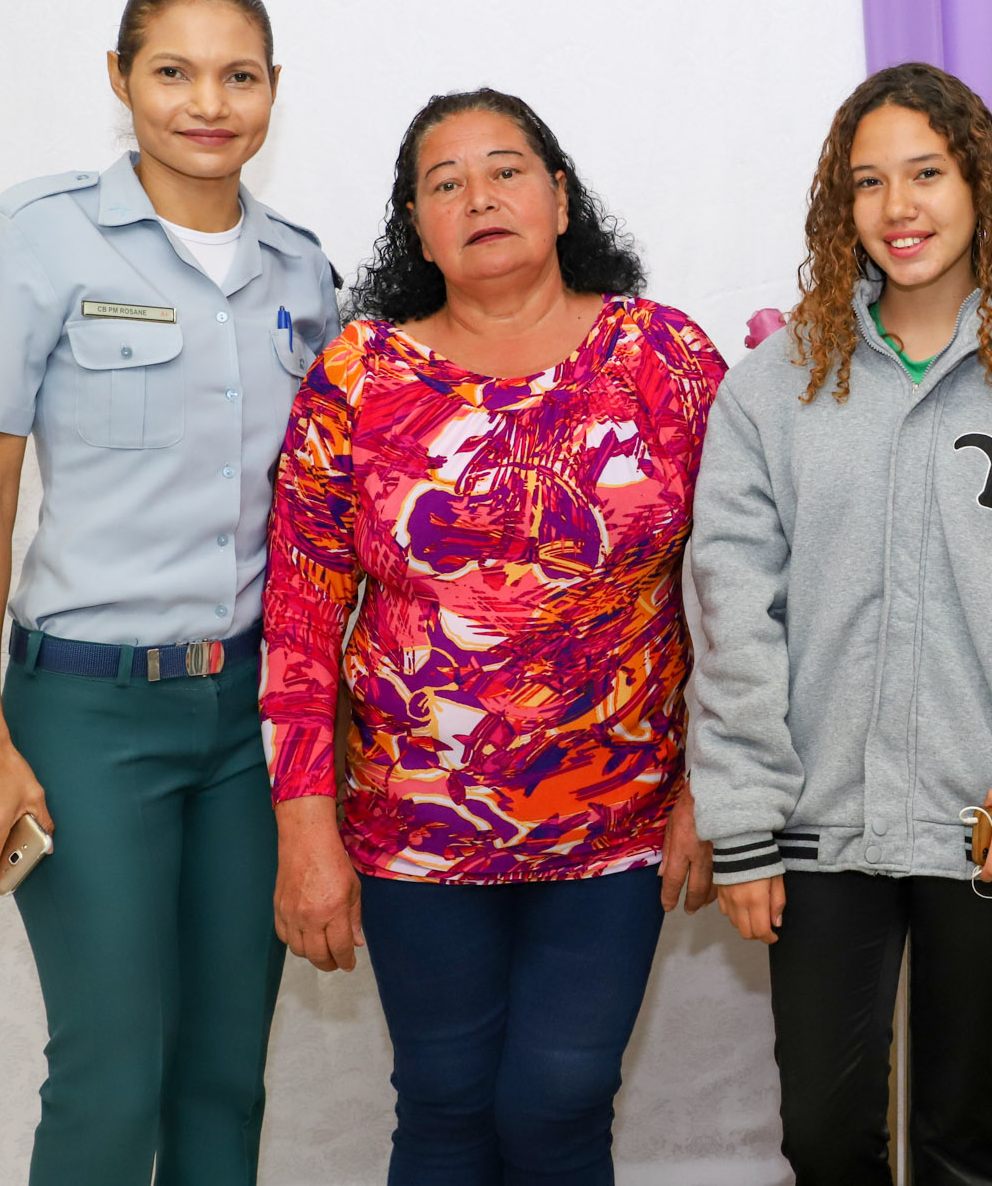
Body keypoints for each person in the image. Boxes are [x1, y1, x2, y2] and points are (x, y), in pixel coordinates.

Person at [0, 0, 340, 1186]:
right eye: (171, 71)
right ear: (119, 79)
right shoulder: (36, 235)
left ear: (273, 90)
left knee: (224, 1074)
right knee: (110, 1077)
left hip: (250, 722)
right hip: (87, 716)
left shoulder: (302, 271)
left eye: (238, 76)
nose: (207, 103)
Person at [259, 88, 724, 1185]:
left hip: (618, 815)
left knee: (559, 1102)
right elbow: (300, 618)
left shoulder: (663, 358)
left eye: (506, 170)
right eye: (446, 183)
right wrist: (304, 832)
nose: (479, 197)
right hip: (413, 822)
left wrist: (718, 783)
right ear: (416, 229)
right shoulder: (359, 376)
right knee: (444, 1106)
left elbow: (739, 588)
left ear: (559, 197)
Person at [686, 62, 992, 1185]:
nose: (899, 207)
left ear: (978, 184)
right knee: (823, 1136)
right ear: (839, 206)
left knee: (962, 1140)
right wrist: (743, 818)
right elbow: (733, 613)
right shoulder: (776, 386)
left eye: (926, 173)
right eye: (869, 182)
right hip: (817, 825)